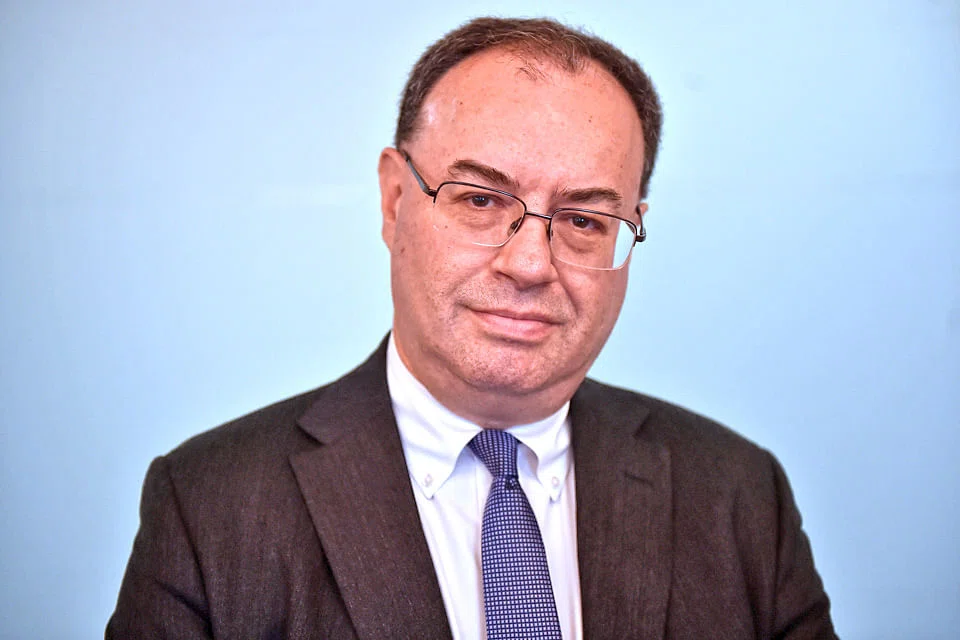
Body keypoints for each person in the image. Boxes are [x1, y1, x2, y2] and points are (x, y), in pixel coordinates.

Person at [107, 16, 837, 640]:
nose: (531, 264)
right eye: (481, 200)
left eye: (584, 220)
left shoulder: (739, 496)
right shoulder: (211, 506)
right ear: (395, 201)